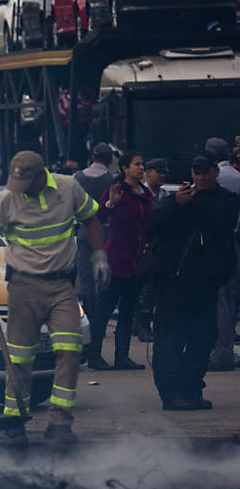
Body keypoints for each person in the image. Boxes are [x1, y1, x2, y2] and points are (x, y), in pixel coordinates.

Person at [0, 151, 108, 444]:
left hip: (62, 287)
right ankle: (14, 421)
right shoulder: (8, 198)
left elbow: (92, 219)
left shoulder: (68, 187)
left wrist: (99, 256)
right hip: (23, 287)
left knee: (70, 350)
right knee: (20, 358)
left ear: (40, 175)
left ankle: (61, 423)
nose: (18, 188)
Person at [148, 153, 240, 410]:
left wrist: (193, 201)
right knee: (171, 339)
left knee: (202, 339)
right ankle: (171, 393)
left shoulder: (226, 200)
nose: (200, 177)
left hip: (207, 284)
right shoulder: (177, 199)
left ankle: (191, 388)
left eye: (205, 172)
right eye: (196, 172)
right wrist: (176, 204)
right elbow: (155, 225)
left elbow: (222, 223)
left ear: (215, 173)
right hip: (173, 282)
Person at [86, 152, 152, 370]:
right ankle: (94, 355)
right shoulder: (116, 191)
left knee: (128, 311)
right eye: (137, 164)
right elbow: (97, 219)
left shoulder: (145, 194)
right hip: (115, 260)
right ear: (125, 168)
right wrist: (110, 204)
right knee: (104, 310)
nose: (141, 168)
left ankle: (122, 356)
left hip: (136, 262)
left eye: (142, 164)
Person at [203, 138, 240, 371]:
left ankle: (220, 350)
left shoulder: (209, 179)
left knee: (219, 297)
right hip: (232, 242)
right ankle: (224, 350)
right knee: (227, 297)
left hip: (211, 243)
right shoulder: (235, 179)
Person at [73, 142, 116, 314]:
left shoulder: (77, 177)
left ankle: (89, 312)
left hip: (84, 230)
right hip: (106, 231)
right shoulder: (113, 180)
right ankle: (101, 312)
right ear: (110, 159)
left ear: (92, 157)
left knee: (86, 273)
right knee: (104, 273)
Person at [133, 158, 170, 343]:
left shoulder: (166, 197)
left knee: (158, 289)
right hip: (145, 247)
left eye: (164, 172)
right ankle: (143, 326)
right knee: (145, 290)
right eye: (158, 171)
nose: (162, 175)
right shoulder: (141, 194)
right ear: (148, 173)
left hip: (162, 248)